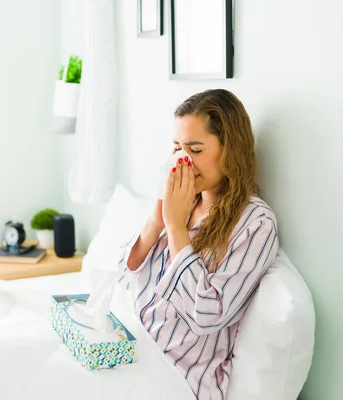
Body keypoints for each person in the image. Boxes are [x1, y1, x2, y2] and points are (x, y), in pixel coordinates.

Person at [116, 89, 279, 399]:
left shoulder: (256, 223)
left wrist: (176, 228)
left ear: (230, 150)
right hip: (134, 348)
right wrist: (156, 223)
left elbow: (207, 315)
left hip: (176, 377)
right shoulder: (185, 202)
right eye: (177, 147)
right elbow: (124, 278)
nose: (183, 160)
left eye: (195, 148)